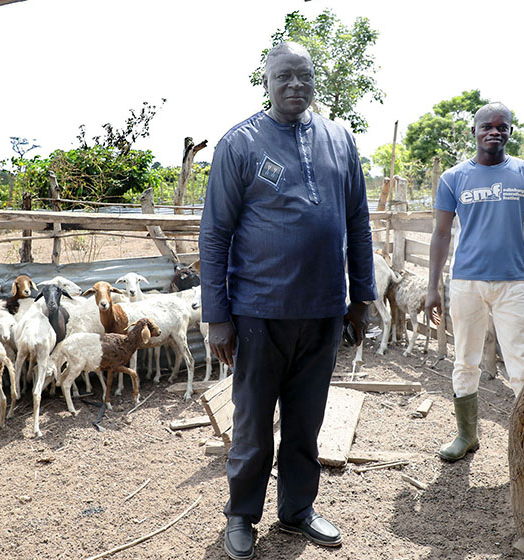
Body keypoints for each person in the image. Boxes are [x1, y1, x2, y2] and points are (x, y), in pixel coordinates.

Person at [199, 41, 376, 559]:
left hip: (323, 310)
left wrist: (360, 297)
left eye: (303, 76)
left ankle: (297, 508)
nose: (295, 85)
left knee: (307, 419)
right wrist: (217, 316)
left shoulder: (340, 140)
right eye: (284, 77)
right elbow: (215, 233)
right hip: (259, 311)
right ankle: (241, 515)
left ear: (314, 79)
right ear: (267, 81)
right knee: (253, 422)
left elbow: (358, 223)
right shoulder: (241, 144)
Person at [425, 102, 524, 490]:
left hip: (513, 285)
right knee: (464, 361)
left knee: (522, 366)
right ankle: (467, 436)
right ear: (474, 131)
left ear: (510, 133)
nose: (494, 132)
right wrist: (434, 287)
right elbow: (441, 234)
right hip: (466, 283)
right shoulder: (453, 178)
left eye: (502, 127)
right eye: (487, 126)